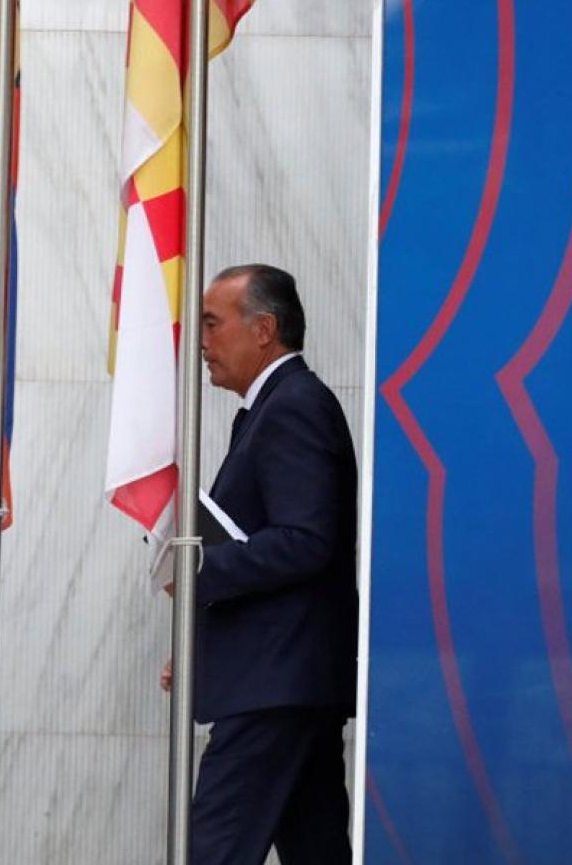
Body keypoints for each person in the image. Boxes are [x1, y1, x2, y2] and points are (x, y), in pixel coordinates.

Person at [162, 263, 359, 864]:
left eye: (213, 323)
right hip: (288, 679)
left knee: (216, 849)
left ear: (264, 329)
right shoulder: (273, 405)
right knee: (315, 849)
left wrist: (201, 573)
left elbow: (304, 540)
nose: (201, 340)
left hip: (274, 684)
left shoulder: (293, 406)